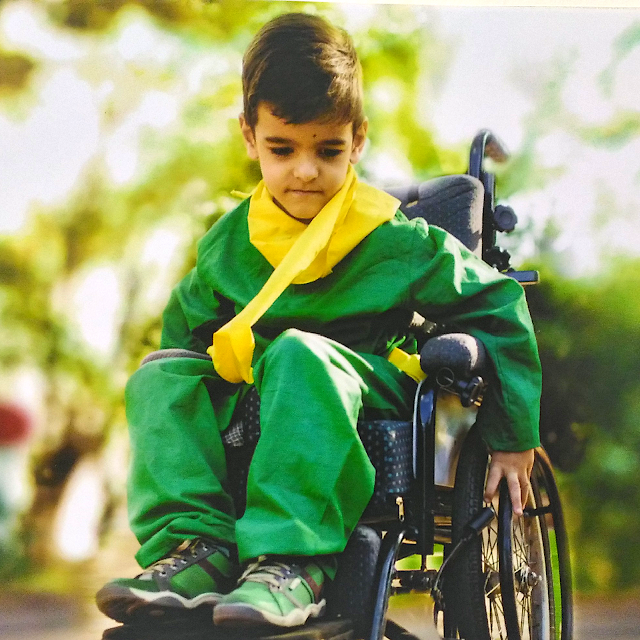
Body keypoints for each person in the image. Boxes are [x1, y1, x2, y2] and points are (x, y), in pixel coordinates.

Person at [96, 12, 541, 630]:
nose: (304, 170)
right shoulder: (230, 243)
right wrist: (190, 410)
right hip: (262, 390)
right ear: (250, 136)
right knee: (160, 375)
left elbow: (498, 304)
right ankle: (198, 546)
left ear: (357, 142)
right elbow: (187, 336)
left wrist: (512, 436)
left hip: (364, 389)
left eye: (327, 150)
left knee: (297, 354)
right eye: (282, 149)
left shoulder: (394, 239)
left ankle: (294, 562)